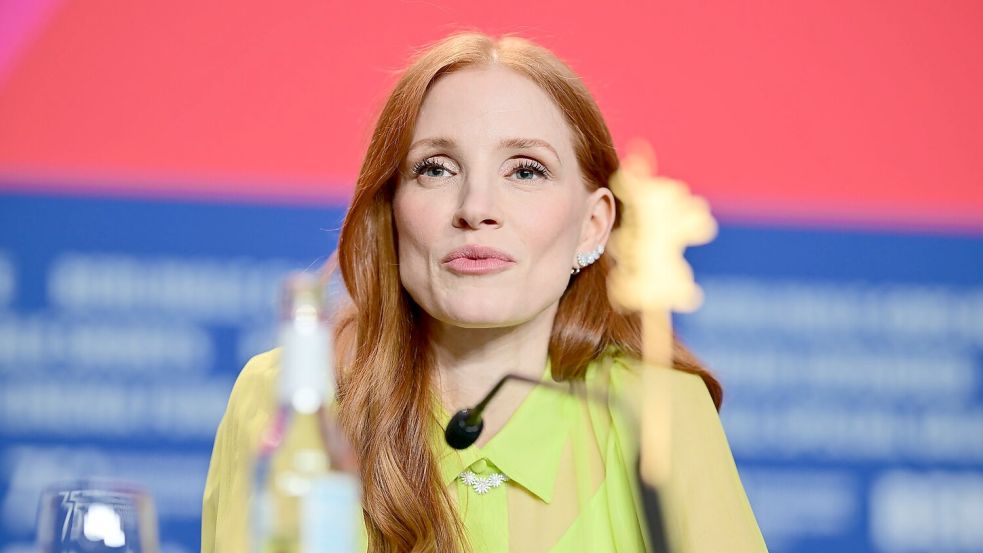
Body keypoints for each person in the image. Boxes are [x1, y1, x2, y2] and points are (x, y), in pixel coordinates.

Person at [201, 31, 768, 553]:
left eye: (525, 171)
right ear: (391, 209)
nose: (476, 210)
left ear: (593, 225)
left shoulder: (659, 411)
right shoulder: (291, 399)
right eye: (437, 169)